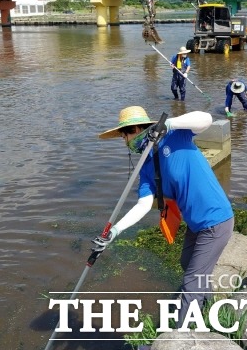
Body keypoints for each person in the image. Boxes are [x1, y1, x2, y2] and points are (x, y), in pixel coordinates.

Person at [96, 106, 234, 327]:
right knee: (187, 262)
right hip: (196, 224)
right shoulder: (146, 166)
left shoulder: (175, 135)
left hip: (216, 220)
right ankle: (208, 305)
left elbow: (205, 119)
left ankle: (177, 337)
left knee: (191, 282)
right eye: (123, 136)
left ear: (142, 129)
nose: (125, 141)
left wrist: (170, 123)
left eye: (127, 134)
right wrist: (114, 231)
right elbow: (143, 205)